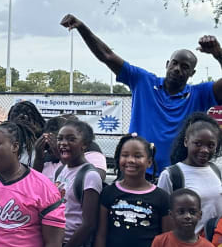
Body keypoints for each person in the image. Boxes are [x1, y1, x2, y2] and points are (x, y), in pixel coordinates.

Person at [61, 14, 222, 173]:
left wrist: (218, 53)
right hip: (136, 172)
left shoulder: (200, 94)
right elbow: (107, 55)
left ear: (192, 73)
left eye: (185, 66)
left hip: (177, 175)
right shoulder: (143, 81)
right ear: (167, 64)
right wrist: (81, 27)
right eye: (174, 63)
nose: (178, 69)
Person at [158, 112, 222, 234]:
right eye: (198, 144)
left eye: (211, 145)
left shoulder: (216, 171)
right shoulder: (171, 175)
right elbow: (162, 216)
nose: (204, 150)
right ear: (186, 142)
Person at [33, 115, 107, 182]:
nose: (62, 143)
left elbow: (96, 179)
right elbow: (34, 182)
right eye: (59, 139)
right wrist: (39, 157)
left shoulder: (91, 152)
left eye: (69, 139)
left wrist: (59, 154)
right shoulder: (47, 158)